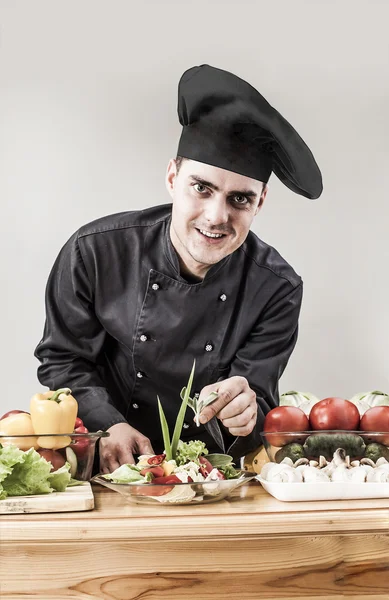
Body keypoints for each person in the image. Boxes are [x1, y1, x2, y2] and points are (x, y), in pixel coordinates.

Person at [35, 64, 322, 473]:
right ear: (173, 177)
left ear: (260, 203)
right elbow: (62, 360)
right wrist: (107, 422)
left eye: (240, 199)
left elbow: (255, 397)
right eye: (201, 188)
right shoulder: (95, 251)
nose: (216, 216)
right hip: (107, 464)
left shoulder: (276, 287)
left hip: (211, 476)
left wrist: (246, 409)